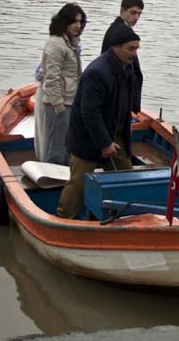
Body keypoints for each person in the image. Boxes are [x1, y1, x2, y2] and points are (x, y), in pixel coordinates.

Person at [56, 25, 141, 219]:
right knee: (78, 184)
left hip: (113, 134)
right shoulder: (98, 72)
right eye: (130, 48)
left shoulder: (125, 68)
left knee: (125, 176)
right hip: (86, 138)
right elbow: (89, 112)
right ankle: (64, 217)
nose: (134, 54)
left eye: (136, 48)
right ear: (116, 47)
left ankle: (122, 215)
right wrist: (104, 143)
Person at [34, 3, 85, 165]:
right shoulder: (56, 44)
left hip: (69, 100)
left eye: (81, 21)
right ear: (64, 22)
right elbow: (51, 78)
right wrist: (58, 107)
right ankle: (52, 180)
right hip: (59, 103)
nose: (78, 25)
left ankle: (63, 178)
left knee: (65, 145)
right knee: (56, 147)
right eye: (74, 21)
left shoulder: (70, 43)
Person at [102, 0, 144, 113]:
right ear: (122, 10)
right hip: (118, 95)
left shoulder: (117, 28)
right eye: (133, 12)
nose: (136, 17)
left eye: (139, 14)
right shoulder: (121, 31)